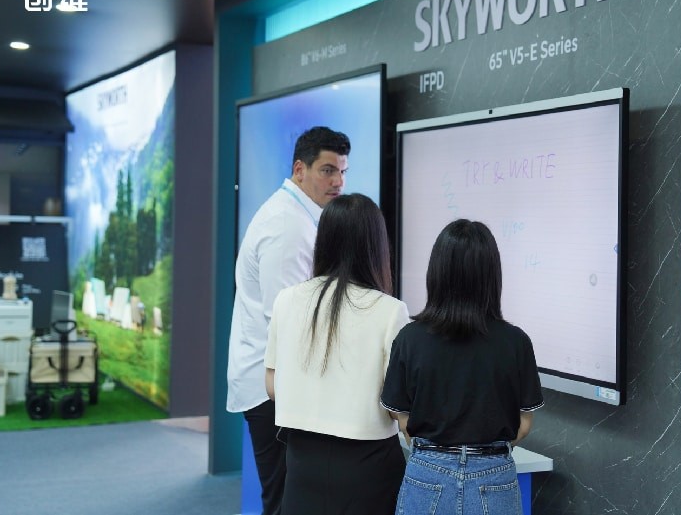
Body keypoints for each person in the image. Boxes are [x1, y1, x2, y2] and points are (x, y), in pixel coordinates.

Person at [380, 219, 544, 515]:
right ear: (491, 275)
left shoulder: (409, 338)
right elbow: (524, 423)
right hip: (495, 477)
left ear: (437, 272)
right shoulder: (516, 342)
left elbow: (399, 414)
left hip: (427, 474)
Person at [227, 126, 350, 515]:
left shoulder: (297, 215)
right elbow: (287, 322)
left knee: (288, 498)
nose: (338, 182)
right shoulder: (288, 226)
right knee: (284, 501)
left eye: (342, 171)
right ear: (300, 169)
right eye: (327, 170)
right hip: (275, 389)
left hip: (278, 383)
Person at [265, 193, 409, 515]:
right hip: (369, 468)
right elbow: (398, 406)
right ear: (376, 246)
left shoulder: (286, 300)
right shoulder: (391, 311)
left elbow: (272, 385)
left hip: (302, 464)